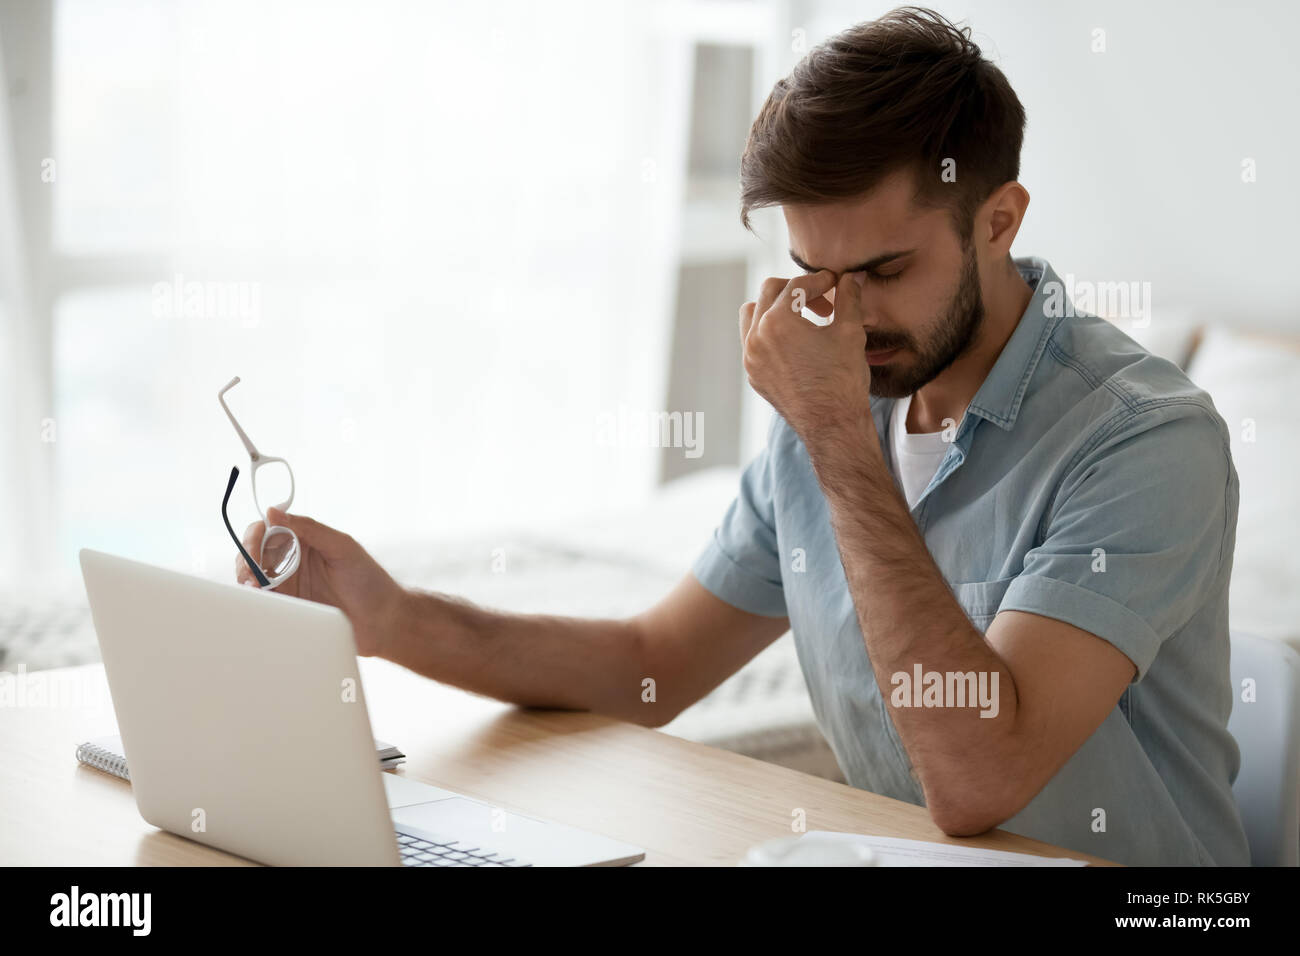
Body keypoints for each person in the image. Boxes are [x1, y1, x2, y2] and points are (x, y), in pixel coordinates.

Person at [238, 7, 1249, 866]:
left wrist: (831, 435)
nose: (842, 318)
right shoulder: (847, 388)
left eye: (885, 272)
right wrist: (388, 615)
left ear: (999, 218)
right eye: (816, 273)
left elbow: (978, 776)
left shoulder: (1143, 442)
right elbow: (650, 663)